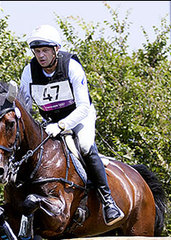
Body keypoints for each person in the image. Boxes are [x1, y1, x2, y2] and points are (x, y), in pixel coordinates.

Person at [18, 24, 124, 226]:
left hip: (78, 117)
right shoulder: (29, 72)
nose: (40, 56)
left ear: (56, 50)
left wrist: (61, 126)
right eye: (37, 51)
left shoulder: (71, 67)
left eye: (45, 51)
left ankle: (108, 202)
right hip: (49, 121)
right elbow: (25, 106)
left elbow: (83, 106)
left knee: (84, 146)